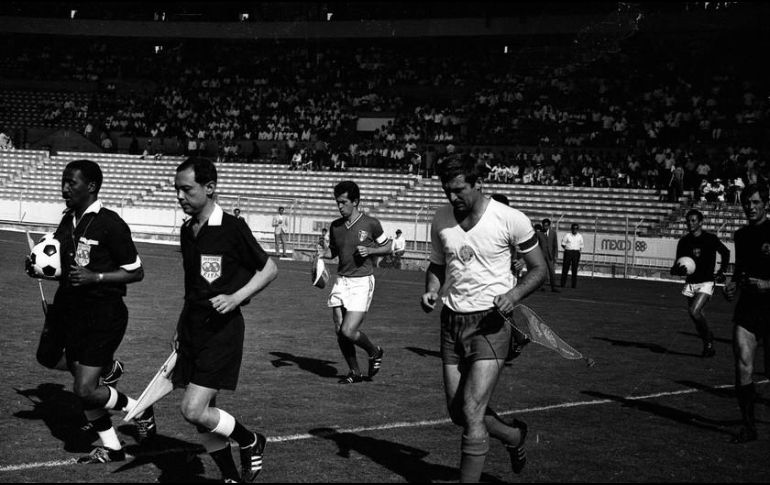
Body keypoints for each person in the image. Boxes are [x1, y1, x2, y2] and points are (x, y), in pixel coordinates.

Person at [421, 154, 547, 482]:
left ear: (479, 184)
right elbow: (436, 264)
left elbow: (539, 269)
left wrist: (513, 295)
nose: (452, 197)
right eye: (446, 190)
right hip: (451, 322)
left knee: (474, 410)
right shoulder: (440, 219)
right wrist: (431, 290)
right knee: (458, 412)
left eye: (459, 189)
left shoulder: (510, 218)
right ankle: (513, 436)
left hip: (491, 325)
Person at [25, 159, 155, 464]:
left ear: (91, 186)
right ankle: (113, 447)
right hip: (71, 310)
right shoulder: (67, 220)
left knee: (84, 389)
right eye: (64, 181)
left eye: (72, 182)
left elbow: (136, 272)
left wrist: (96, 277)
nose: (65, 187)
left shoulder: (109, 223)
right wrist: (39, 270)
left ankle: (139, 408)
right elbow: (62, 267)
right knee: (50, 358)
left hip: (103, 313)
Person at [173, 157, 278, 482]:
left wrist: (235, 297)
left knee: (192, 409)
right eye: (177, 190)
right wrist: (180, 327)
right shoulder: (186, 230)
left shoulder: (232, 228)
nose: (179, 196)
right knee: (201, 418)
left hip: (222, 333)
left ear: (210, 188)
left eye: (186, 190)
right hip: (193, 330)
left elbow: (270, 268)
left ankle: (250, 440)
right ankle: (231, 476)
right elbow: (192, 288)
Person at [323, 180, 391, 384]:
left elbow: (388, 248)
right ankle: (354, 372)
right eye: (337, 202)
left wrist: (370, 250)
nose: (340, 206)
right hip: (341, 280)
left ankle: (374, 351)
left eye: (344, 202)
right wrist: (321, 254)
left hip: (361, 282)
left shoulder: (371, 223)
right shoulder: (335, 226)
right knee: (339, 329)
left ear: (356, 201)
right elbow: (333, 252)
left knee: (348, 330)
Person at [723, 183, 770, 443]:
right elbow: (740, 270)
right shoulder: (741, 236)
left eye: (755, 202)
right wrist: (732, 285)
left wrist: (767, 284)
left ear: (765, 203)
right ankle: (749, 427)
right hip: (749, 308)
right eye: (746, 203)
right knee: (743, 365)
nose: (750, 208)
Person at [670, 209, 730, 358]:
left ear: (701, 222)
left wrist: (721, 270)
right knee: (697, 317)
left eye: (694, 221)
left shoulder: (710, 239)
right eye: (688, 221)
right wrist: (678, 271)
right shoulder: (684, 241)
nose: (690, 223)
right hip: (691, 283)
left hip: (706, 282)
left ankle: (709, 337)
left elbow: (726, 252)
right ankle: (708, 345)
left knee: (694, 311)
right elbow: (676, 267)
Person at [560, 223, 584, 288]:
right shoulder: (567, 235)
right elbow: (563, 244)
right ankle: (562, 284)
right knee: (565, 268)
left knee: (574, 269)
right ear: (571, 229)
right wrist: (568, 249)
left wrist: (577, 251)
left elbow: (581, 246)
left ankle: (573, 285)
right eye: (573, 228)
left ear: (577, 229)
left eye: (576, 229)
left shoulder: (580, 236)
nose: (574, 230)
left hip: (576, 253)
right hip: (568, 252)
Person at [540, 218, 560, 292]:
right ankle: (542, 286)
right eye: (544, 226)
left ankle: (553, 287)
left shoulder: (553, 233)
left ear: (549, 226)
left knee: (552, 271)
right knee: (542, 272)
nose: (545, 227)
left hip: (550, 256)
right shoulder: (539, 233)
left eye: (546, 226)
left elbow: (555, 245)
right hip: (542, 256)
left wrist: (556, 256)